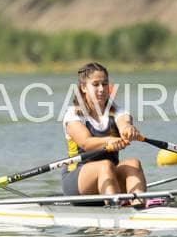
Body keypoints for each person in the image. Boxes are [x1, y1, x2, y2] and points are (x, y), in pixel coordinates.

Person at [62, 62, 146, 199]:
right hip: (77, 180)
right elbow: (86, 143)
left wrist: (129, 130)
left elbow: (124, 124)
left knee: (133, 163)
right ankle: (115, 206)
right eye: (96, 84)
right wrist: (109, 140)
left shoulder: (118, 111)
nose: (101, 89)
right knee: (105, 165)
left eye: (105, 84)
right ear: (84, 87)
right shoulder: (73, 114)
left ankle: (139, 203)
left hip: (110, 176)